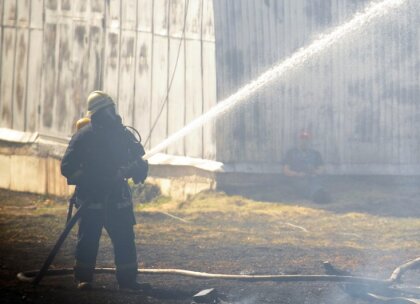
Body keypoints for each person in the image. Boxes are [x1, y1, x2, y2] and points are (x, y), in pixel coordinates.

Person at [61, 91, 148, 291]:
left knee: (125, 238)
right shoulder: (84, 136)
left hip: (118, 197)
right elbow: (68, 167)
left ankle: (128, 280)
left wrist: (138, 169)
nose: (112, 114)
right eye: (107, 111)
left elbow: (138, 159)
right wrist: (93, 179)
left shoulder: (122, 134)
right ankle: (84, 279)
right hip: (92, 199)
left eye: (112, 109)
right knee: (88, 240)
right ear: (98, 113)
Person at [283, 131, 330, 204]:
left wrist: (315, 171)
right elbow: (286, 170)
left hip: (312, 177)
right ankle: (317, 196)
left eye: (306, 139)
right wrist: (297, 174)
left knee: (317, 185)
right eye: (302, 139)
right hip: (298, 179)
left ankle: (321, 195)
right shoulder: (291, 153)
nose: (304, 141)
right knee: (304, 186)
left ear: (309, 141)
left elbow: (322, 168)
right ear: (298, 140)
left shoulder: (315, 153)